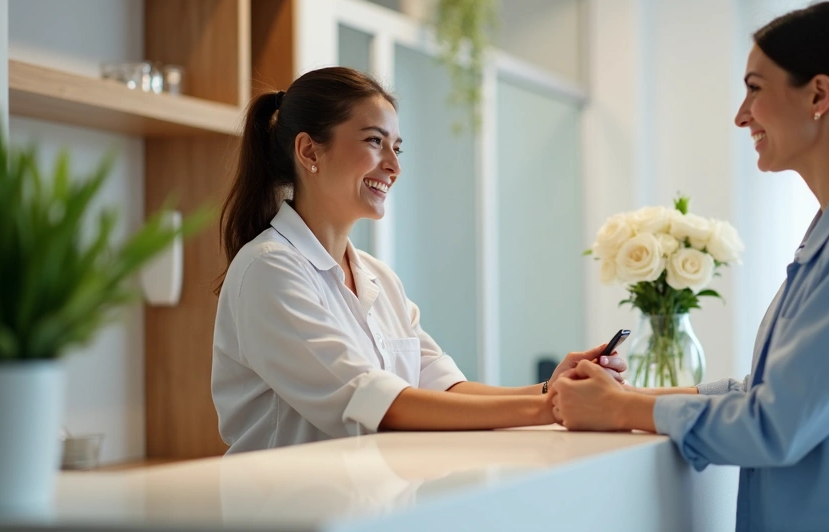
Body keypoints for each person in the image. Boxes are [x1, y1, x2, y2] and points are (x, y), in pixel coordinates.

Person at [549, 1, 829, 531]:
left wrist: (620, 411)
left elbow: (776, 423)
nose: (741, 114)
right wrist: (625, 397)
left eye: (755, 88)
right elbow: (769, 392)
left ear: (819, 96)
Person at [211, 67, 625, 454]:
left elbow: (443, 390)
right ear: (308, 151)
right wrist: (553, 408)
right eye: (374, 141)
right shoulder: (269, 269)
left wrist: (551, 389)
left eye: (396, 147)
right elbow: (379, 406)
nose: (393, 166)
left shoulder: (378, 278)